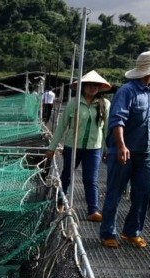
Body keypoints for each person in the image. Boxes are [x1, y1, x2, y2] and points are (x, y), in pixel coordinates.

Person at [99, 50, 150, 249]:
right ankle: (108, 233)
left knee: (146, 191)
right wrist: (121, 146)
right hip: (124, 152)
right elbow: (117, 121)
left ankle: (131, 231)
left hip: (146, 152)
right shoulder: (127, 91)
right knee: (115, 192)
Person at [45, 70, 111, 222]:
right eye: (89, 85)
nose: (92, 88)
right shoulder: (74, 103)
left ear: (99, 87)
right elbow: (62, 126)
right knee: (66, 175)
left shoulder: (105, 104)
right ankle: (61, 201)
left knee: (91, 179)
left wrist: (108, 149)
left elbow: (107, 128)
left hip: (94, 148)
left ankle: (93, 210)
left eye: (95, 85)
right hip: (72, 146)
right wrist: (52, 147)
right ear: (84, 86)